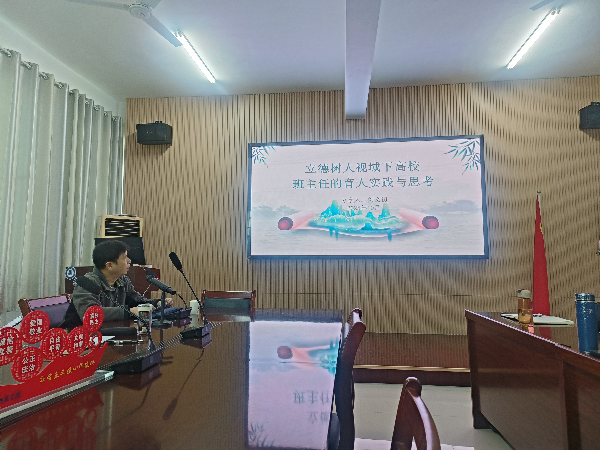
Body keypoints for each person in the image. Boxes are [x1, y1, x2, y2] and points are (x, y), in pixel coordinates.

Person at [61, 239, 171, 328]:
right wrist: (129, 312)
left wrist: (156, 303)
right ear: (109, 265)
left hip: (110, 332)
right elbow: (91, 314)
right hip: (78, 338)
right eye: (125, 258)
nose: (129, 261)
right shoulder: (88, 283)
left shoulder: (122, 280)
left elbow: (136, 300)